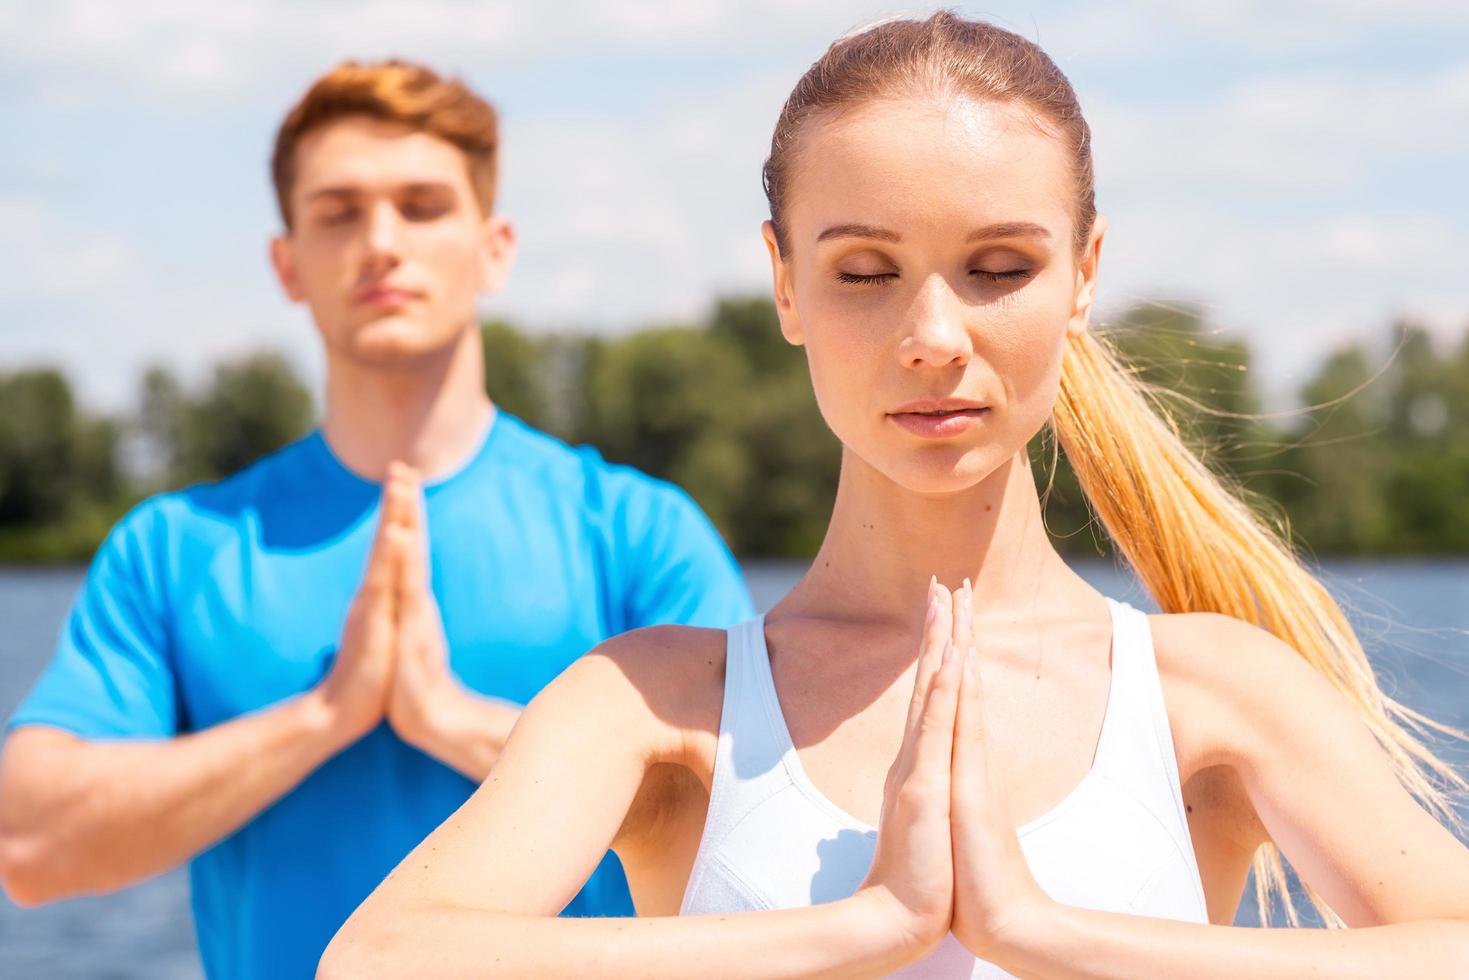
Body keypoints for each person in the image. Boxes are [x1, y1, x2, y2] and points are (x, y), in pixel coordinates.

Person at [320, 12, 1469, 978]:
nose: (931, 336)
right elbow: (378, 957)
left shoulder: (1211, 688)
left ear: (1084, 275)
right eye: (863, 273)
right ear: (784, 283)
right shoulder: (657, 701)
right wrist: (865, 923)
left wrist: (1043, 930)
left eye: (1000, 269)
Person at [0, 60, 753, 979]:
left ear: (494, 248)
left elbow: (752, 832)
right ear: (288, 263)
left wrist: (453, 720)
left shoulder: (637, 532)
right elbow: (29, 844)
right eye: (339, 211)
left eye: (423, 205)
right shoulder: (174, 548)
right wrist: (323, 715)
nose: (381, 241)